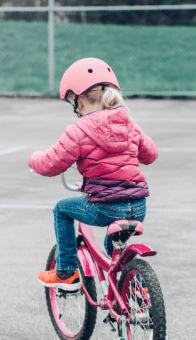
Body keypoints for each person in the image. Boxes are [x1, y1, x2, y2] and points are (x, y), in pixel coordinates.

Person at [28, 57, 158, 291]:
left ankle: (66, 272)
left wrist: (32, 159)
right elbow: (150, 155)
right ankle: (132, 287)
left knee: (62, 209)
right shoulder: (129, 123)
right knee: (115, 247)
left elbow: (51, 163)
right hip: (138, 206)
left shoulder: (78, 130)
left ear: (77, 99)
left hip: (105, 207)